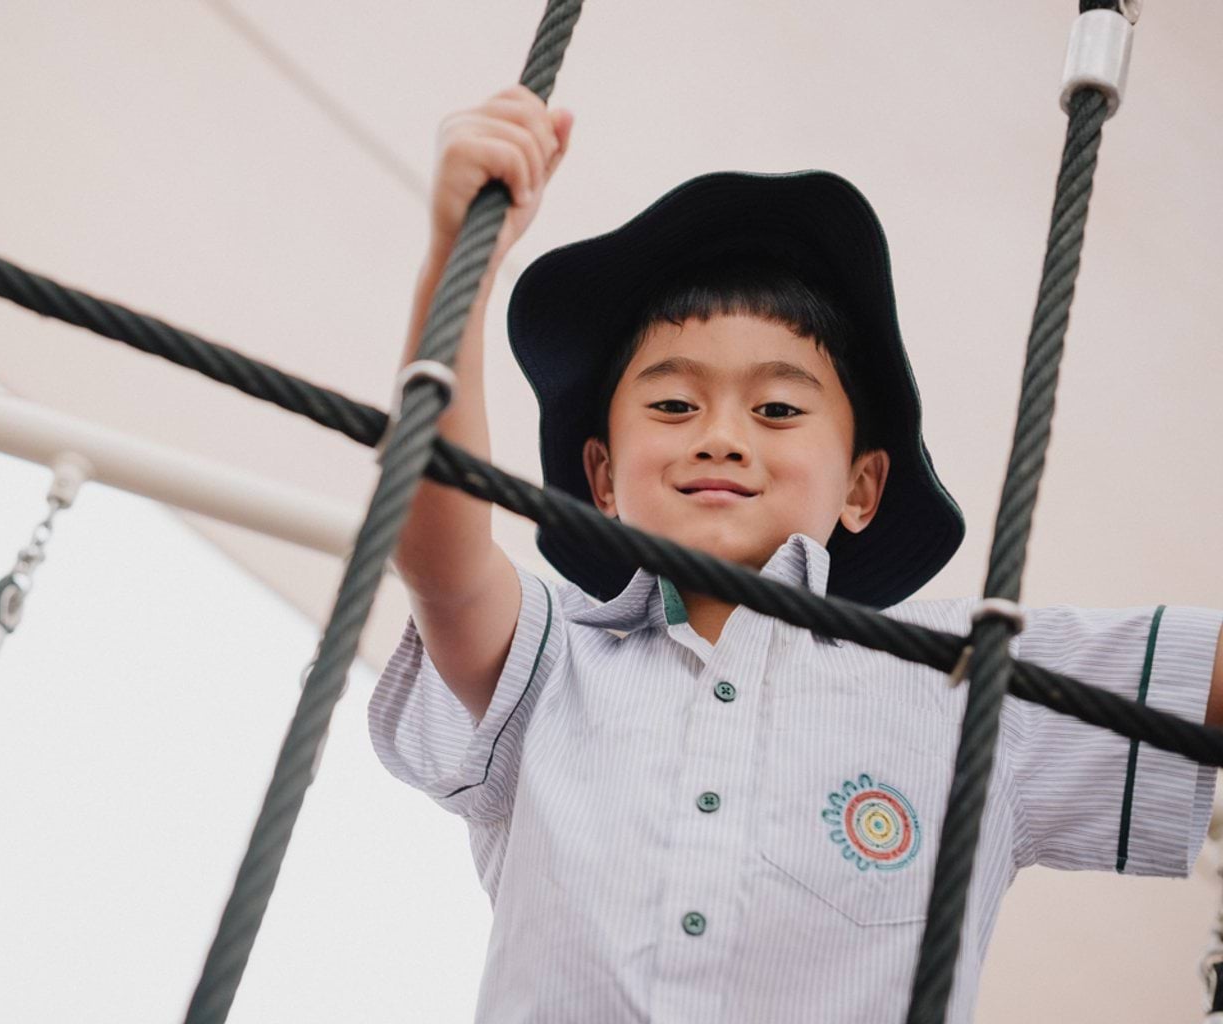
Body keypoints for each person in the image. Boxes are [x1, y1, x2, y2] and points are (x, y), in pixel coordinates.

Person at [367, 84, 1223, 1022]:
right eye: (672, 405)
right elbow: (442, 557)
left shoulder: (972, 678)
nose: (722, 436)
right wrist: (460, 263)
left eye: (777, 409)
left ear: (861, 487)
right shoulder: (550, 661)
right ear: (603, 477)